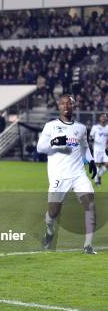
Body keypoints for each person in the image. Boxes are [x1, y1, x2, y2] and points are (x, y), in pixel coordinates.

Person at [37, 95, 97, 254]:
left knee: (90, 204)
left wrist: (90, 161)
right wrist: (53, 142)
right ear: (59, 106)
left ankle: (88, 246)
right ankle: (49, 232)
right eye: (63, 103)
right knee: (53, 213)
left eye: (69, 103)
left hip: (78, 174)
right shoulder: (51, 126)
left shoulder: (81, 128)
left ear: (73, 106)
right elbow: (39, 148)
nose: (66, 106)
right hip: (59, 176)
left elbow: (84, 148)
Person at [88, 113, 107, 185]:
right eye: (102, 117)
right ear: (99, 118)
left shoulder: (107, 127)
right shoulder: (95, 127)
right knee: (98, 165)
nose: (103, 118)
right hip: (97, 149)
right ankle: (96, 181)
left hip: (105, 150)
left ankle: (98, 176)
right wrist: (93, 141)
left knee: (106, 165)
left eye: (105, 117)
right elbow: (90, 137)